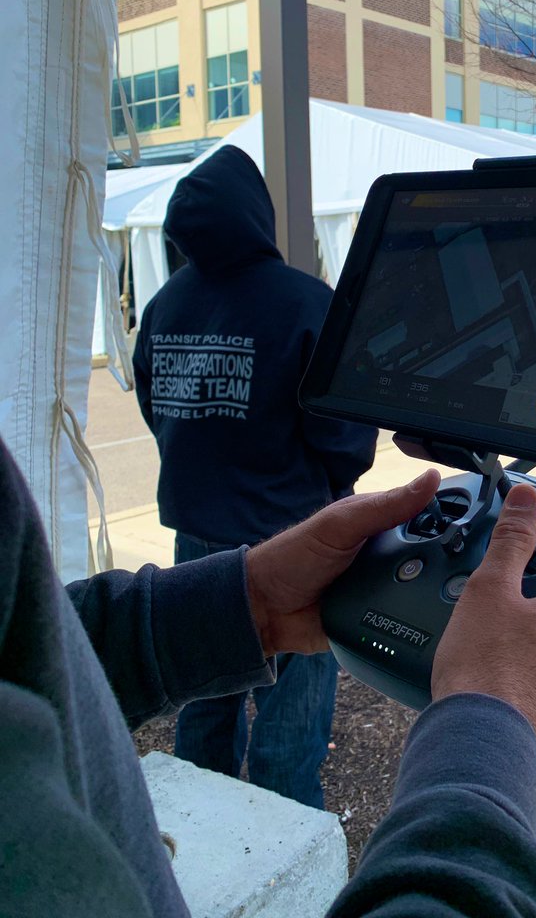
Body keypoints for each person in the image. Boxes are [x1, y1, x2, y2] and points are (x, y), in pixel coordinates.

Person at [0, 436, 536, 918]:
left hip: (200, 517)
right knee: (289, 740)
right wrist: (497, 732)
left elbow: (18, 638)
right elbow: (340, 441)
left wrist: (247, 604)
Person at [132, 145, 377, 807]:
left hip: (196, 542)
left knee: (204, 703)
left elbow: (155, 408)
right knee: (289, 723)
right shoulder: (305, 304)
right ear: (257, 214)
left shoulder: (163, 307)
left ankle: (206, 851)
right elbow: (344, 436)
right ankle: (286, 866)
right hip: (293, 539)